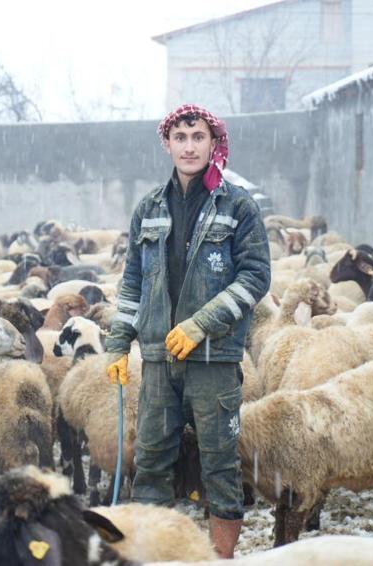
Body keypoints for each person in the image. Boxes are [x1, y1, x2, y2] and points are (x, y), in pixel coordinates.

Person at [105, 104, 271, 558]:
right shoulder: (149, 209)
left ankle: (220, 558)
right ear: (167, 144)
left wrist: (202, 324)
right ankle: (153, 555)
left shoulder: (237, 206)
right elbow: (133, 282)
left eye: (198, 137)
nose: (189, 146)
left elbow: (255, 276)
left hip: (213, 361)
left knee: (220, 465)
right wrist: (119, 344)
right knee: (151, 463)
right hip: (158, 360)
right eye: (180, 137)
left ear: (213, 142)